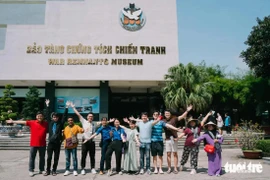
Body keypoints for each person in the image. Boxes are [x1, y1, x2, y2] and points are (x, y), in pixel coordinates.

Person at [6, 103, 49, 177]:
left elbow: (50, 119)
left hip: (42, 144)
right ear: (36, 117)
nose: (39, 117)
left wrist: (47, 106)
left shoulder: (45, 123)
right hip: (33, 144)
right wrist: (13, 121)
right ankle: (31, 170)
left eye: (41, 116)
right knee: (32, 158)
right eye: (38, 116)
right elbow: (23, 122)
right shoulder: (32, 122)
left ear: (43, 117)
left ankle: (41, 169)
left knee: (42, 158)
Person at [163, 105, 193, 174]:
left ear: (170, 114)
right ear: (164, 114)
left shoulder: (174, 119)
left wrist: (187, 110)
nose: (167, 114)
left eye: (168, 113)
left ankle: (175, 168)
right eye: (166, 113)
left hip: (174, 138)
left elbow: (182, 116)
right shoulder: (163, 121)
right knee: (168, 154)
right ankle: (169, 168)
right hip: (167, 139)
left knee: (175, 153)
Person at [44, 100, 70, 176]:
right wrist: (47, 105)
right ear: (52, 118)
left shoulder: (60, 123)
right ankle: (48, 170)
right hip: (50, 143)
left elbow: (64, 116)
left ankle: (54, 170)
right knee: (49, 158)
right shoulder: (50, 122)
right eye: (54, 117)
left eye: (56, 117)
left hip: (57, 143)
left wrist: (66, 107)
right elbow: (47, 113)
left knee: (56, 158)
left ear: (58, 118)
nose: (55, 118)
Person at [71, 103, 98, 175]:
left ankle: (92, 168)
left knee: (92, 156)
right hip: (85, 141)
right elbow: (78, 114)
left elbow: (102, 123)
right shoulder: (84, 121)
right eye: (89, 116)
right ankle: (83, 168)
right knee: (84, 155)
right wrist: (73, 107)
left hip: (92, 142)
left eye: (92, 116)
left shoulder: (94, 124)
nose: (90, 117)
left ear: (93, 117)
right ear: (87, 117)